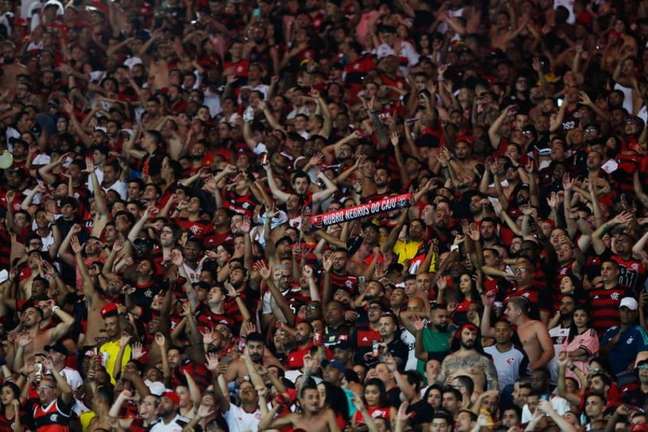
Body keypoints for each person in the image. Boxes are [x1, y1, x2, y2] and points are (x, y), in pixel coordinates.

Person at [504, 297, 555, 371]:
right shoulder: (508, 328)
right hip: (511, 375)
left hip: (531, 376)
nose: (505, 312)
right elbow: (485, 331)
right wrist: (487, 306)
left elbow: (549, 351)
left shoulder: (537, 326)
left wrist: (533, 368)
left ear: (518, 311)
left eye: (509, 309)